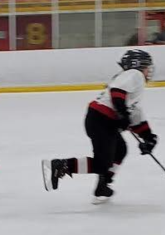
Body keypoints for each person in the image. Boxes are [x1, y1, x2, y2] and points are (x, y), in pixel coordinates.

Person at [42, 50, 158, 204]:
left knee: (120, 150)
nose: (148, 70)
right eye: (146, 66)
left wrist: (149, 138)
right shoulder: (134, 74)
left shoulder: (132, 81)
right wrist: (123, 114)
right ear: (137, 65)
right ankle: (59, 166)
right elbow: (117, 94)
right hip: (101, 120)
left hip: (101, 120)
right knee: (102, 163)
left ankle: (103, 185)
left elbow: (134, 113)